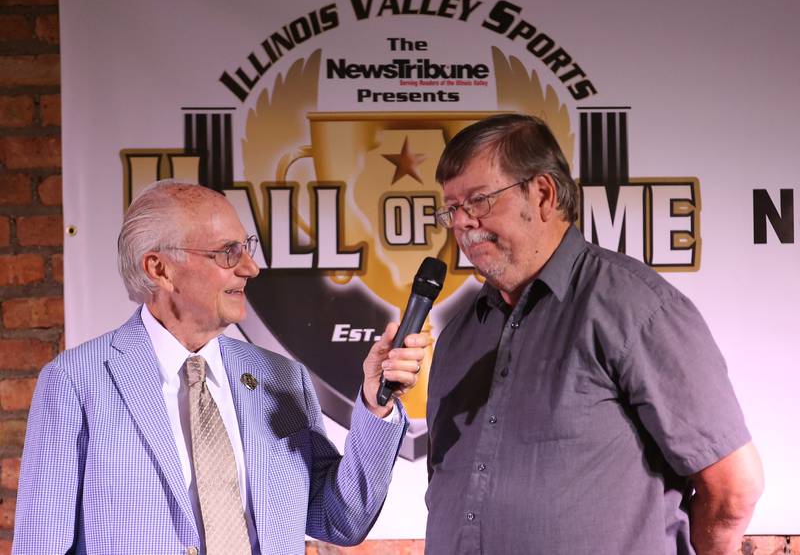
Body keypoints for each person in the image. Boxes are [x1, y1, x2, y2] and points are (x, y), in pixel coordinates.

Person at [13, 180, 429, 555]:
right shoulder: (76, 381)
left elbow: (340, 518)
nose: (250, 268)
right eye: (228, 253)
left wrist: (376, 406)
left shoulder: (282, 377)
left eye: (245, 248)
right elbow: (41, 545)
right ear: (160, 269)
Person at [425, 113, 764, 555]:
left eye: (479, 200)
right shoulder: (458, 335)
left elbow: (732, 487)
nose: (462, 223)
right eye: (452, 208)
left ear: (543, 193)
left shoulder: (635, 308)